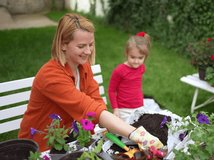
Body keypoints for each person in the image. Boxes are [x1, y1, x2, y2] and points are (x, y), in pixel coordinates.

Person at [18, 13, 163, 152]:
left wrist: (108, 121)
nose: (88, 51)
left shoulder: (83, 66)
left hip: (69, 137)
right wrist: (138, 135)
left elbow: (96, 101)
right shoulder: (51, 76)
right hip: (41, 147)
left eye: (91, 44)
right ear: (63, 45)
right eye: (81, 46)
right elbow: (87, 107)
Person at [108, 32, 150, 122]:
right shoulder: (119, 71)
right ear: (126, 53)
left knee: (143, 129)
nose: (136, 61)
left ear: (145, 57)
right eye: (133, 57)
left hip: (139, 105)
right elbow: (112, 90)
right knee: (127, 131)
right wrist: (115, 109)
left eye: (140, 58)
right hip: (123, 109)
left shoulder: (142, 68)